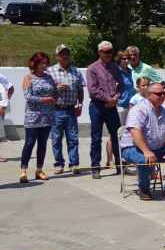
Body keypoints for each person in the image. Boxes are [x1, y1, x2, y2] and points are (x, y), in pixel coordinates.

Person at [119, 82, 165, 200]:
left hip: (157, 147)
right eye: (158, 94)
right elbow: (135, 132)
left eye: (163, 93)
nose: (162, 96)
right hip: (133, 148)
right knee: (143, 159)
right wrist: (146, 151)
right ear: (148, 95)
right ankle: (144, 189)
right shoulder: (139, 110)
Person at [87, 40, 124, 178]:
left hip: (112, 106)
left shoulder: (115, 67)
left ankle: (120, 164)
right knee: (96, 138)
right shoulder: (92, 68)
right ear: (99, 52)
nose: (108, 54)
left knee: (117, 136)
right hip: (97, 106)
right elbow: (93, 90)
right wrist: (108, 99)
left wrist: (116, 98)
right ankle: (95, 167)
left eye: (110, 51)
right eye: (105, 52)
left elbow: (121, 85)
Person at [47, 44, 85, 175]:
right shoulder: (49, 71)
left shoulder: (76, 71)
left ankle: (74, 164)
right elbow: (45, 91)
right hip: (55, 109)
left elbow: (80, 89)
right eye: (62, 53)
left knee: (73, 138)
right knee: (56, 138)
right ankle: (59, 164)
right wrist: (56, 88)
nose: (65, 56)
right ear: (57, 56)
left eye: (67, 53)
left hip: (70, 109)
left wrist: (80, 104)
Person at [20, 52, 56, 182]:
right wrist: (44, 100)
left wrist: (57, 94)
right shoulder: (28, 77)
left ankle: (39, 170)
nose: (44, 65)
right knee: (29, 143)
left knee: (42, 144)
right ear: (34, 63)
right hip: (33, 116)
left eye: (46, 63)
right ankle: (23, 171)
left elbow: (54, 92)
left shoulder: (49, 77)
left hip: (47, 117)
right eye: (41, 62)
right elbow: (28, 97)